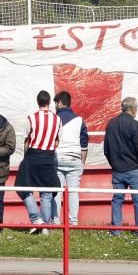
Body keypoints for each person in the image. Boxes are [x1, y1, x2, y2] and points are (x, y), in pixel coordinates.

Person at [14, 91, 61, 234]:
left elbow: (26, 140)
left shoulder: (31, 118)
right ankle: (45, 226)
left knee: (22, 186)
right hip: (48, 156)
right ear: (49, 102)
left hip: (33, 154)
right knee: (46, 192)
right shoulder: (57, 119)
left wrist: (26, 157)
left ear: (38, 102)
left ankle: (36, 219)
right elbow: (57, 140)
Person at [103, 96, 138, 236]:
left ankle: (116, 230)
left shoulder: (111, 124)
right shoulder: (134, 124)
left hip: (118, 169)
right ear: (133, 109)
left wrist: (114, 164)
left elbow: (106, 149)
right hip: (135, 168)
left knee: (117, 200)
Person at [52, 91, 88, 227]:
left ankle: (55, 221)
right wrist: (82, 162)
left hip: (57, 157)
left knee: (57, 192)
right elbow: (84, 144)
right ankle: (73, 222)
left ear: (59, 103)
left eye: (55, 103)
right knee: (73, 192)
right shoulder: (79, 120)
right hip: (74, 159)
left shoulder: (54, 119)